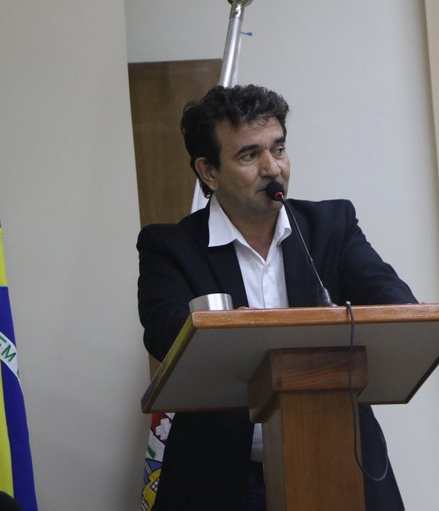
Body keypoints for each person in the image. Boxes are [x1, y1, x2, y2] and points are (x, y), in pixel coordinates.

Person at [137, 84, 416, 511]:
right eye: (250, 155)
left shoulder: (331, 225)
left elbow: (395, 302)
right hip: (223, 479)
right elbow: (164, 331)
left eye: (279, 149)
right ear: (208, 172)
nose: (273, 168)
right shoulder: (170, 246)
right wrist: (239, 331)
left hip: (337, 462)